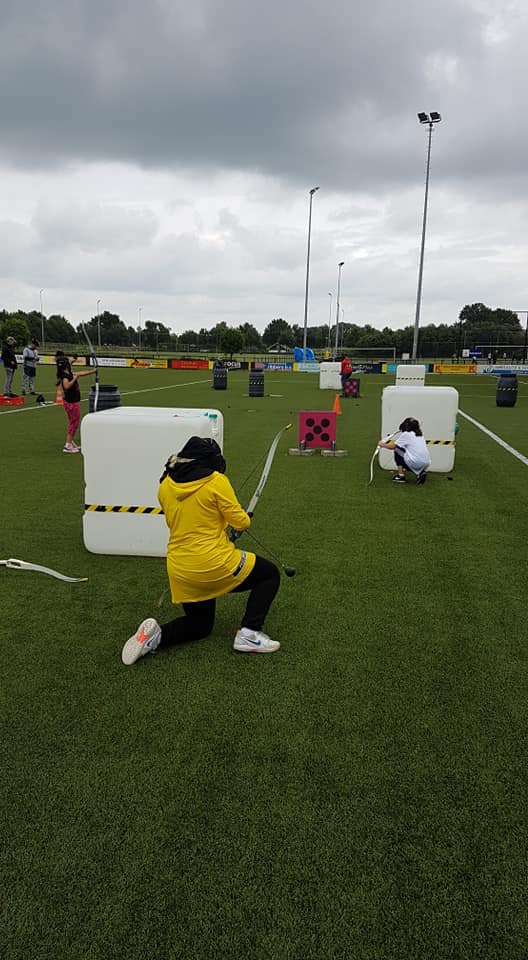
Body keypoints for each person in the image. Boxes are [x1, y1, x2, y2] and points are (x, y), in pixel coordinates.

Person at [121, 436, 281, 665]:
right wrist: (241, 517)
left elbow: (192, 517)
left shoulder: (165, 484)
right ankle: (250, 633)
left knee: (200, 626)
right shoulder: (216, 481)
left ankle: (157, 637)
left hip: (179, 569)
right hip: (214, 563)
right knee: (269, 575)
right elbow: (242, 522)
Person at [55, 351, 96, 453]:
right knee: (74, 423)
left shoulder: (68, 373)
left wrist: (93, 371)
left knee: (73, 422)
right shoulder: (65, 376)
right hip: (71, 402)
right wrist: (75, 379)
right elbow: (66, 386)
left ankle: (71, 441)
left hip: (73, 401)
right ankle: (67, 445)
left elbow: (80, 373)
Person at [378, 417, 431, 485]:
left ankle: (401, 476)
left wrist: (382, 444)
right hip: (426, 463)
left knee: (397, 450)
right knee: (404, 451)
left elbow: (393, 446)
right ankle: (420, 473)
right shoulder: (420, 435)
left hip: (416, 462)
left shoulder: (406, 434)